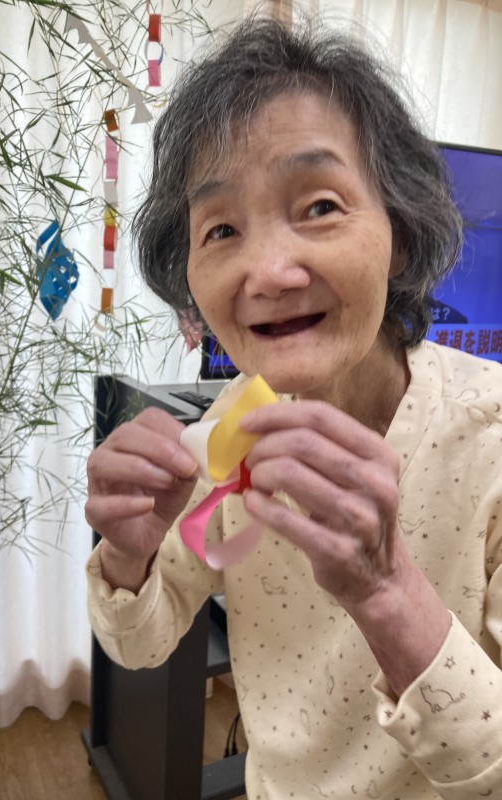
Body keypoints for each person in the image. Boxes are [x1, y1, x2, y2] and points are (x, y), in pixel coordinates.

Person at [85, 16, 502, 800]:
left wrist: (386, 591)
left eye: (318, 207)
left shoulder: (491, 439)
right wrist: (127, 557)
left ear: (400, 232)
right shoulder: (225, 437)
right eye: (221, 228)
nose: (269, 272)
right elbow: (140, 646)